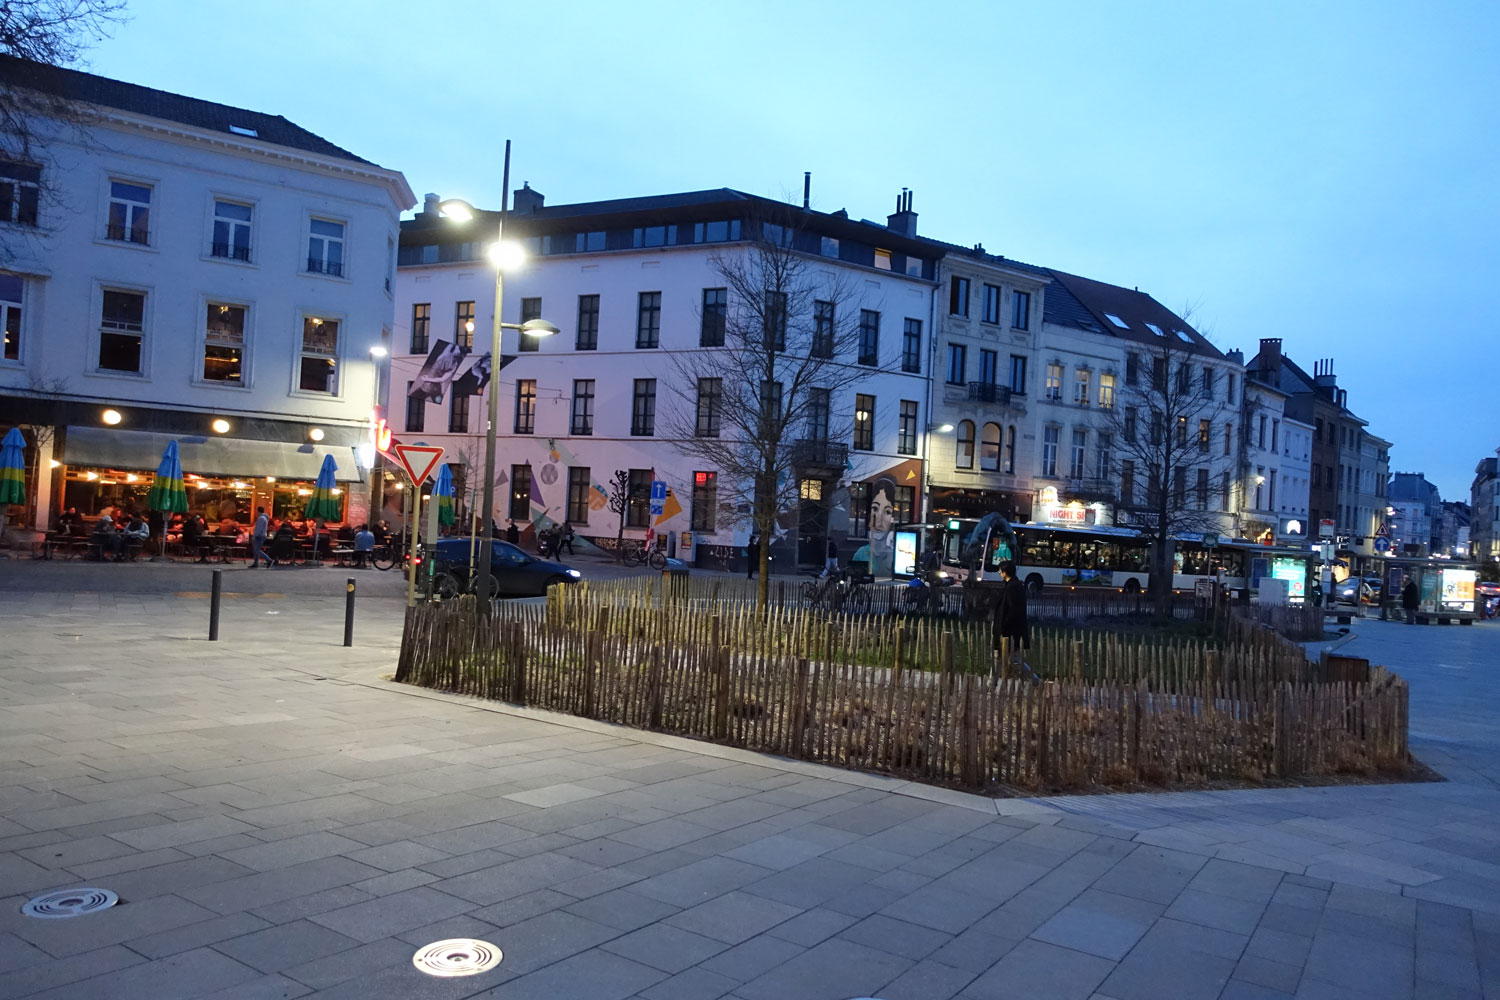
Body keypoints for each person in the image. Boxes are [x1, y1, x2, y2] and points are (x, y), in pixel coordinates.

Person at [992, 560, 1034, 682]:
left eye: (1000, 570)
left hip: (1009, 631)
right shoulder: (1013, 585)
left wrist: (1003, 625)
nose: (999, 572)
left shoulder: (1012, 587)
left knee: (1013, 658)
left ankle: (1035, 681)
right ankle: (991, 682)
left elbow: (1013, 610)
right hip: (1009, 630)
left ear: (1005, 572)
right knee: (999, 657)